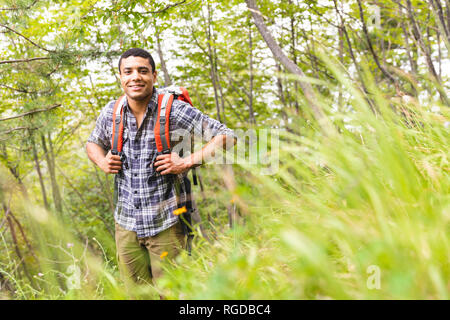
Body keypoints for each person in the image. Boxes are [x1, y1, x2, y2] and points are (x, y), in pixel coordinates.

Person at [86, 48, 236, 295]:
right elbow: (92, 143)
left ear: (154, 76)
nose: (136, 77)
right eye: (129, 71)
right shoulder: (111, 112)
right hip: (126, 227)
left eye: (143, 71)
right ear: (120, 77)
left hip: (166, 224)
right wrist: (102, 161)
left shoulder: (174, 110)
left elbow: (227, 136)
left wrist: (187, 162)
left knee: (173, 293)